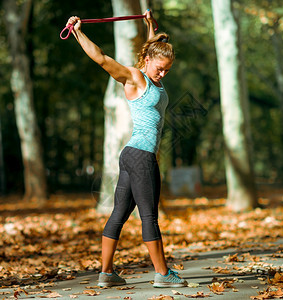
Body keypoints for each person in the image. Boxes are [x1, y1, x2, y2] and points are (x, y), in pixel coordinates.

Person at [66, 10, 187, 288]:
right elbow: (101, 58)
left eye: (167, 69)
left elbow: (152, 50)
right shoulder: (134, 77)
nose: (163, 73)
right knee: (149, 216)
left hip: (132, 155)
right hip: (141, 157)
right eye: (160, 68)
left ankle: (106, 274)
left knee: (119, 214)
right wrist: (77, 31)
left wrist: (148, 24)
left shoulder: (153, 78)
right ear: (147, 61)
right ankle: (162, 274)